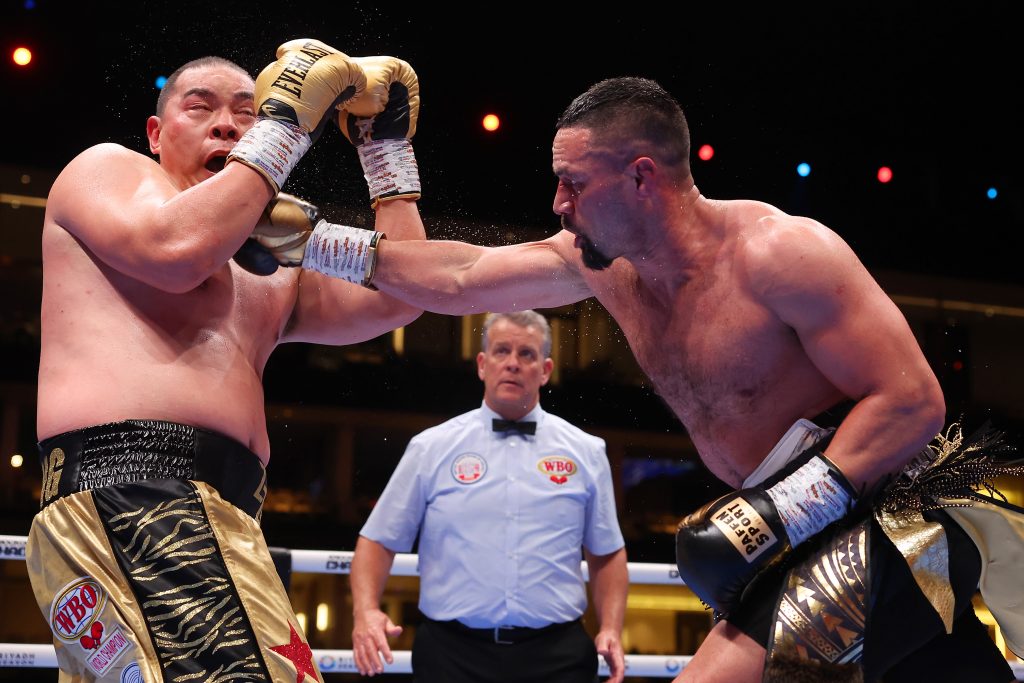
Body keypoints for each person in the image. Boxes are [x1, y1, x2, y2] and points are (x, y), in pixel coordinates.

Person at [324, 77, 1023, 681]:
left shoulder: (780, 255)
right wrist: (312, 238)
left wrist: (782, 511)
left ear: (641, 177)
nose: (559, 204)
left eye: (575, 183)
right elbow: (461, 275)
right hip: (808, 537)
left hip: (893, 521)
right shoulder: (602, 265)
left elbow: (914, 399)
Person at [27, 39, 426, 683]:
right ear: (157, 133)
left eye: (249, 110)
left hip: (219, 514)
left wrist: (385, 152)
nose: (227, 123)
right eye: (201, 107)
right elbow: (175, 249)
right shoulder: (108, 172)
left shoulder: (275, 254)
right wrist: (284, 122)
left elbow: (401, 294)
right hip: (142, 497)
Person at [350, 310, 628, 682]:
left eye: (526, 354)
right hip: (451, 656)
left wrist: (611, 627)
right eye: (501, 351)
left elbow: (607, 551)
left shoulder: (587, 452)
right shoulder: (432, 447)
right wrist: (365, 611)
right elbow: (377, 539)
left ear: (545, 370)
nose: (513, 363)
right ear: (482, 364)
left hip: (556, 657)